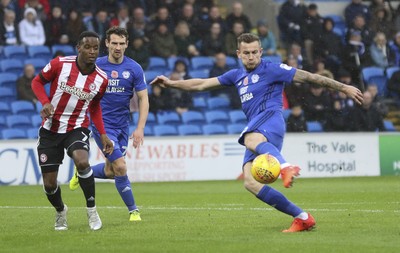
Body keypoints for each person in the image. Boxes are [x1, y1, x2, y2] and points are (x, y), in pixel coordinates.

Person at [151, 33, 363, 232]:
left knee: (250, 138)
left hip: (271, 119)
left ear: (261, 52)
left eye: (254, 52)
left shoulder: (272, 69)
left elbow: (308, 77)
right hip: (256, 124)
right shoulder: (236, 75)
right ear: (239, 54)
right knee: (250, 183)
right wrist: (172, 84)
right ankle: (303, 217)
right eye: (246, 53)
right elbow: (202, 84)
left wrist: (343, 87)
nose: (251, 57)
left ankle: (286, 167)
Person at [31, 31, 114, 231]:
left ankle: (92, 210)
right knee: (50, 185)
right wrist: (45, 102)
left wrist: (102, 134)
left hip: (77, 127)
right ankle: (61, 211)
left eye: (96, 48)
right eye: (88, 47)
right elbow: (36, 82)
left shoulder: (101, 79)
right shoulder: (60, 64)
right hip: (50, 130)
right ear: (79, 47)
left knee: (82, 161)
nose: (92, 52)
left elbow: (94, 107)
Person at [69, 27, 149, 222]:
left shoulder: (134, 68)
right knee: (121, 167)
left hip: (123, 125)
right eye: (114, 43)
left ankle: (82, 173)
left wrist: (139, 128)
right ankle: (134, 211)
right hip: (102, 125)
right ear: (106, 44)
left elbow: (143, 99)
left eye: (122, 43)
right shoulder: (95, 65)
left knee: (110, 171)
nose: (118, 47)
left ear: (127, 44)